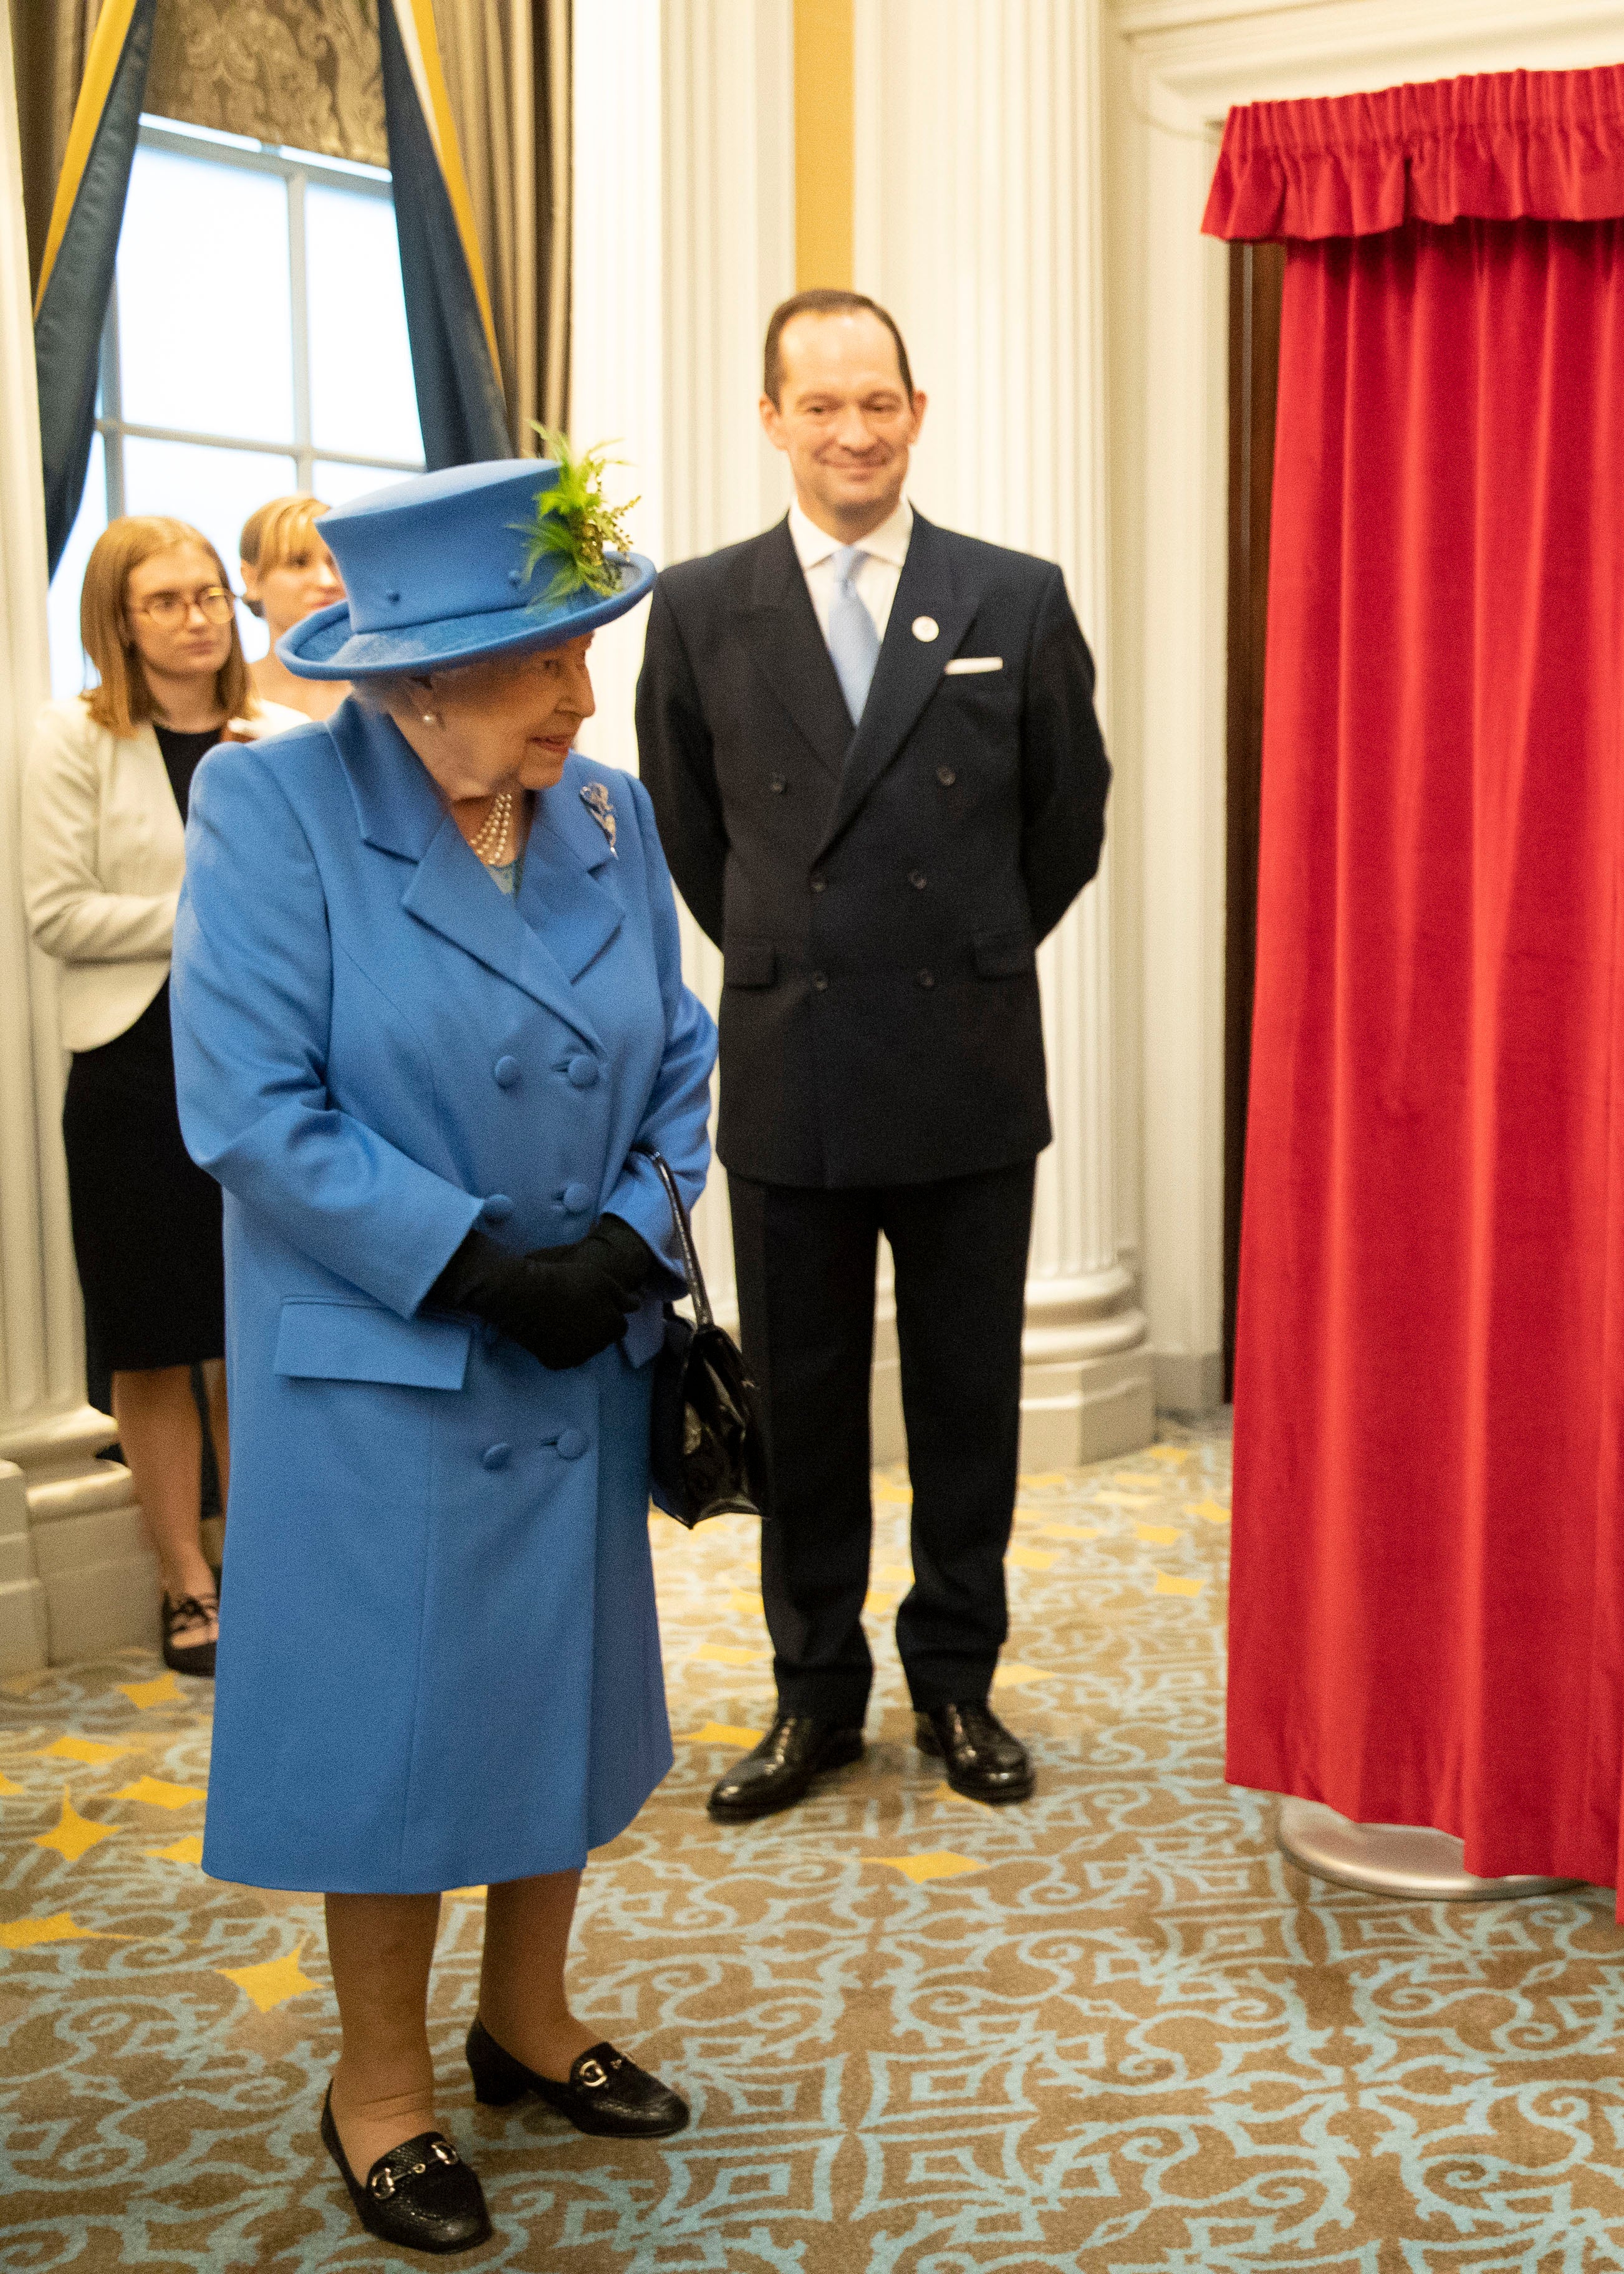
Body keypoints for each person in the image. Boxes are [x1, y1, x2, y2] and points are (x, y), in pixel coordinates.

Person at [171, 453, 716, 2254]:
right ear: (413, 681)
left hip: (578, 1349)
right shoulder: (274, 818)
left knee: (553, 1698)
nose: (582, 692)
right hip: (396, 1360)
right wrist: (478, 1260)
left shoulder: (612, 818)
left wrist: (633, 1233)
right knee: (400, 1737)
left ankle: (529, 2019)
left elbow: (686, 1059)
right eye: (546, 658)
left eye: (585, 650)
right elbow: (249, 1111)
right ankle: (382, 2083)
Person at [638, 290, 1108, 1820]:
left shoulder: (1012, 597)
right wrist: (790, 949)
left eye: (879, 403)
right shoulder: (700, 608)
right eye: (821, 406)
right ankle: (813, 1697)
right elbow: (694, 835)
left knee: (969, 1399)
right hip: (795, 1060)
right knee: (804, 1401)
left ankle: (957, 1682)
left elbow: (1066, 821)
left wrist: (963, 945)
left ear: (917, 411)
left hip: (968, 1057)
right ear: (769, 419)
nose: (854, 431)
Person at [19, 519, 301, 1675]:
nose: (197, 617)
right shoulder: (72, 740)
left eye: (207, 596)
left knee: (252, 1333)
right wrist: (205, 913)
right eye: (165, 601)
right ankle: (188, 1584)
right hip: (131, 1070)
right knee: (153, 1339)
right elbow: (57, 912)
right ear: (117, 621)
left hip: (263, 1062)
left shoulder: (277, 734)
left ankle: (270, 1563)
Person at [236, 494, 348, 722]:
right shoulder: (227, 696)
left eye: (336, 561)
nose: (328, 581)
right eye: (298, 563)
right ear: (251, 579)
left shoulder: (386, 691)